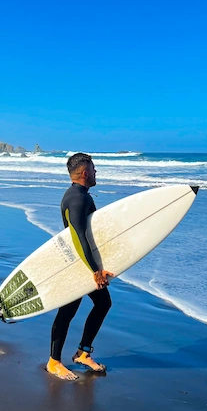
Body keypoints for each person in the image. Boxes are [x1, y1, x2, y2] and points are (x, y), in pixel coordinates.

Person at [46, 153, 114, 381]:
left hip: (84, 262)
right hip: (78, 264)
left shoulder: (77, 195)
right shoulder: (78, 198)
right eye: (94, 169)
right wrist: (95, 270)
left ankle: (83, 353)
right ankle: (54, 362)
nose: (96, 173)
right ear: (85, 172)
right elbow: (78, 236)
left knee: (103, 303)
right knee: (67, 312)